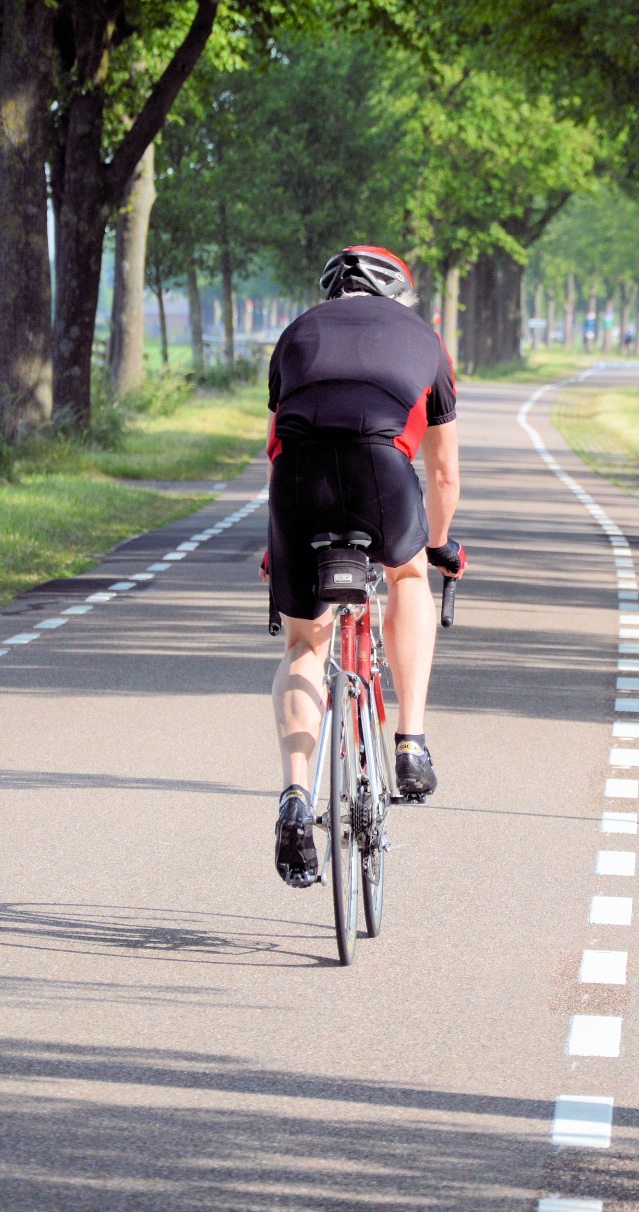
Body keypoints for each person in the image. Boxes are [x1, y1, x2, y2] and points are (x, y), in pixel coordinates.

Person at [262, 246, 466, 888]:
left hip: (297, 480)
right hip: (380, 472)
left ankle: (296, 794)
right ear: (397, 294)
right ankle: (410, 740)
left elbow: (274, 447)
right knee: (407, 577)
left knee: (303, 643)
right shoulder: (425, 339)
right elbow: (442, 472)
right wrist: (433, 547)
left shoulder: (295, 334)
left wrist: (280, 543)